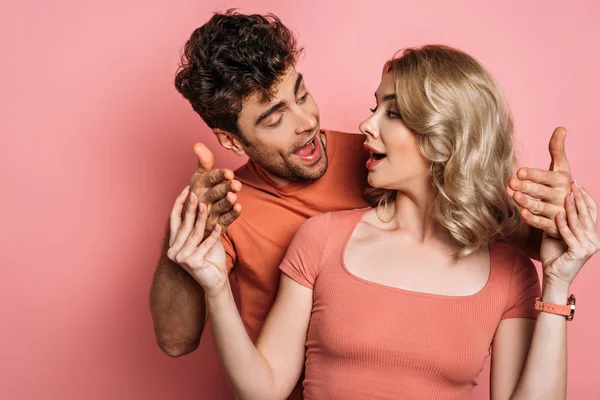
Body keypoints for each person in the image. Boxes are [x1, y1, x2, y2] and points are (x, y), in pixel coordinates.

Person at [150, 10, 579, 398]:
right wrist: (187, 224)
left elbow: (473, 211)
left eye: (301, 95)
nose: (307, 123)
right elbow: (176, 341)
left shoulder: (380, 158)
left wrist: (559, 222)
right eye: (276, 118)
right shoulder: (233, 209)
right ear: (231, 141)